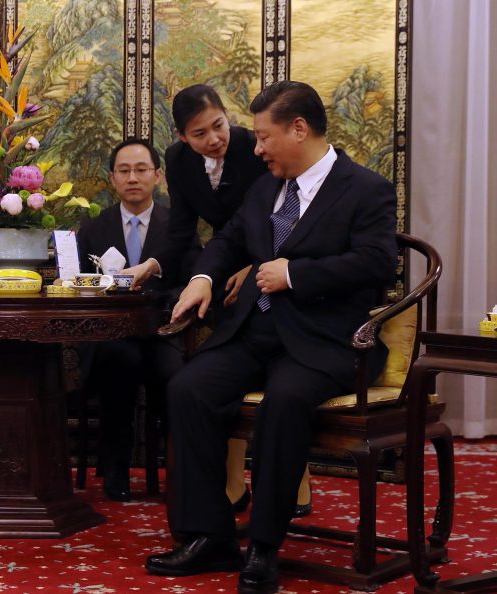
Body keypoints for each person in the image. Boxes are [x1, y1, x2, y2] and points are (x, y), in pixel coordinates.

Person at [145, 81, 397, 594]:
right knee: (188, 388)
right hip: (256, 333)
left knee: (284, 400)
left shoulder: (365, 188)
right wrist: (202, 279)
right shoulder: (265, 187)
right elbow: (229, 241)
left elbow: (376, 263)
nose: (254, 148)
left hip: (327, 342)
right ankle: (209, 535)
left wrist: (296, 274)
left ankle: (264, 547)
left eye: (263, 137)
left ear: (298, 129)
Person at [150, 84, 312, 516]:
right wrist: (158, 264)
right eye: (200, 133)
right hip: (224, 268)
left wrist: (254, 265)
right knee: (223, 382)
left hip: (270, 269)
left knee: (282, 383)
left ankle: (294, 487)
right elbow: (185, 229)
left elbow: (283, 221)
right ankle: (232, 487)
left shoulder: (256, 151)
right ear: (183, 138)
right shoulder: (180, 159)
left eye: (218, 125)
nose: (214, 139)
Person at [76, 138, 179, 501]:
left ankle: (179, 473)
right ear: (112, 178)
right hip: (109, 335)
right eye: (124, 171)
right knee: (118, 360)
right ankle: (115, 467)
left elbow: (191, 274)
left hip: (162, 332)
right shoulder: (92, 228)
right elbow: (79, 285)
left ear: (158, 176)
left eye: (141, 170)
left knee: (176, 375)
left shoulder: (177, 226)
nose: (132, 178)